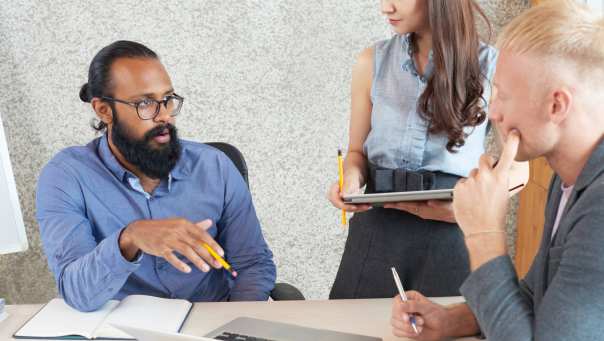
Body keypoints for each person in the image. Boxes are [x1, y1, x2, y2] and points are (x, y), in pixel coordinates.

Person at [390, 1, 604, 339]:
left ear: (556, 105)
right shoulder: (570, 182)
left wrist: (483, 233)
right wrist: (453, 321)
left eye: (503, 96)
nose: (494, 114)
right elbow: (535, 302)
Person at [36, 41, 276, 312]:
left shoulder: (214, 167)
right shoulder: (67, 176)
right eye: (145, 103)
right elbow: (77, 293)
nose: (164, 116)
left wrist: (237, 322)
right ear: (104, 110)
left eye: (167, 99)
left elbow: (252, 264)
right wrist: (130, 238)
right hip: (123, 330)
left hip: (209, 324)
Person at [328, 0, 501, 298]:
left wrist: (474, 207)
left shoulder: (492, 65)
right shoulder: (372, 61)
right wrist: (351, 180)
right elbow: (357, 153)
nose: (386, 8)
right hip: (376, 229)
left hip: (451, 233)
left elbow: (520, 168)